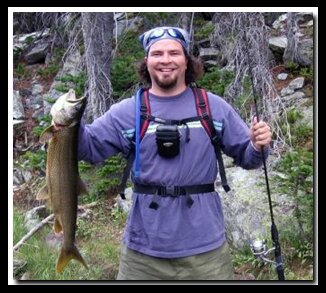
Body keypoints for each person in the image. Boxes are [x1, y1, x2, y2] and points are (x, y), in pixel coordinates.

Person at [61, 26, 272, 280]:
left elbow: (248, 158)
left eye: (174, 53)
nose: (165, 60)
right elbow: (89, 148)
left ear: (186, 61)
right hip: (143, 253)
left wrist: (259, 145)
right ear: (147, 62)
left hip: (205, 251)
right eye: (157, 54)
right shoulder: (129, 112)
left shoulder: (213, 107)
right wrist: (67, 126)